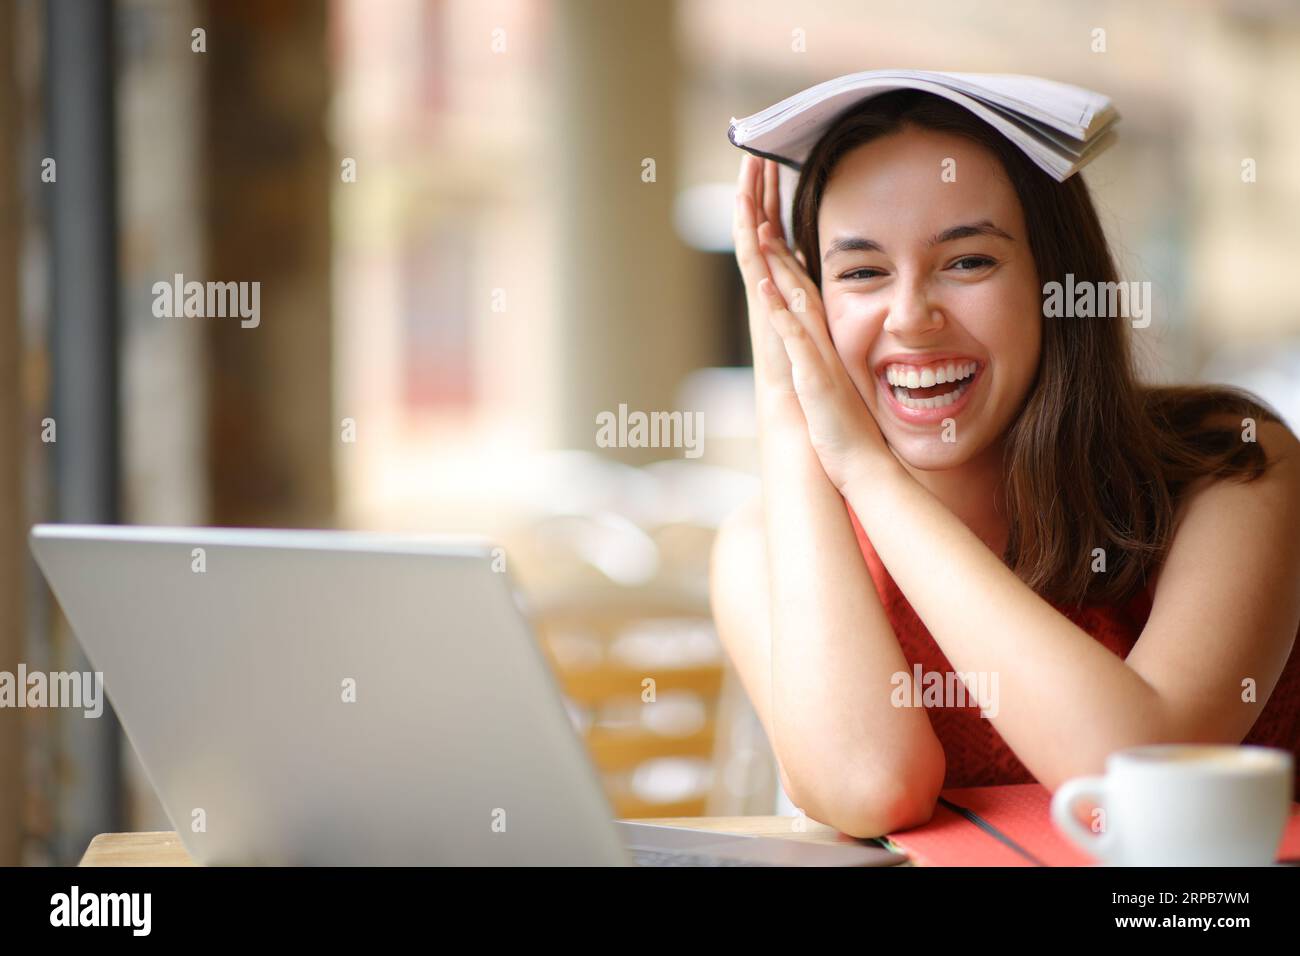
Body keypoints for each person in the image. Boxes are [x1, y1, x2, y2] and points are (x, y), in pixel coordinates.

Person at [711, 90, 1300, 838]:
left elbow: (1130, 772)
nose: (910, 317)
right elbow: (871, 786)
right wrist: (787, 410)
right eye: (861, 273)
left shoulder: (1231, 461)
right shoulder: (766, 543)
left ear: (1055, 284)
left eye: (967, 260)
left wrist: (867, 470)